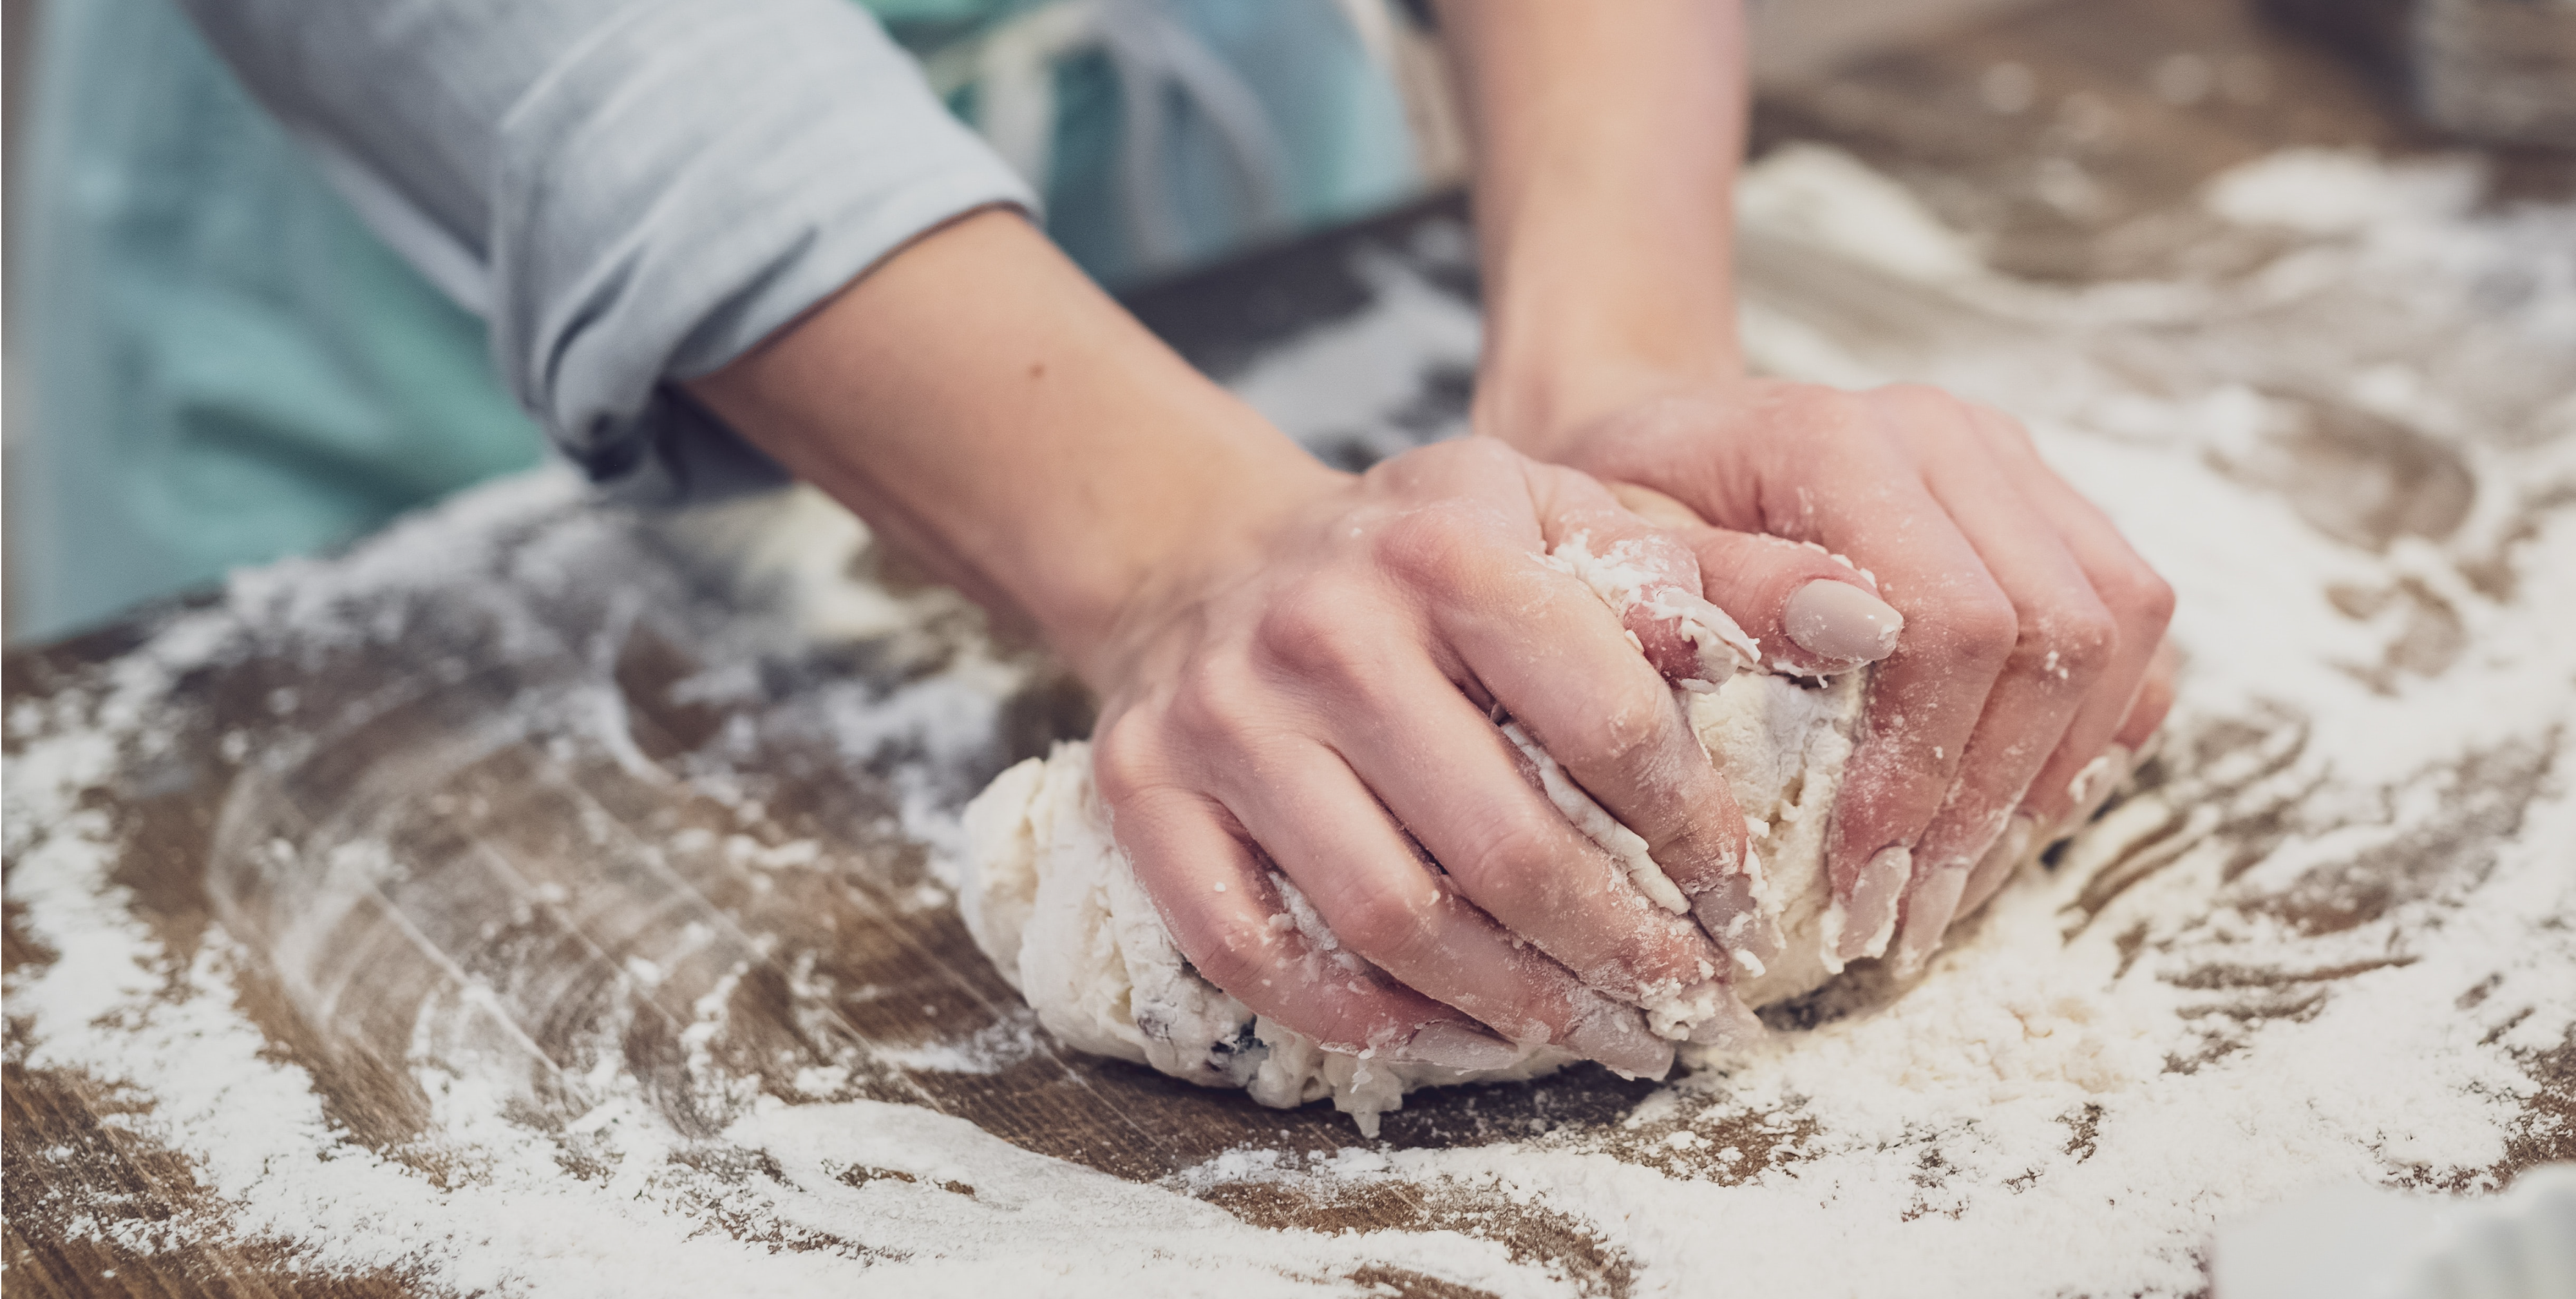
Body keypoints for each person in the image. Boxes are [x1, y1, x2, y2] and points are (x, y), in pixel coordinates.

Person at [18, 0, 2173, 1077]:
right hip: (440, 305)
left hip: (1224, 198)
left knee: (1406, 685)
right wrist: (1167, 537)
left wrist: (1610, 367)